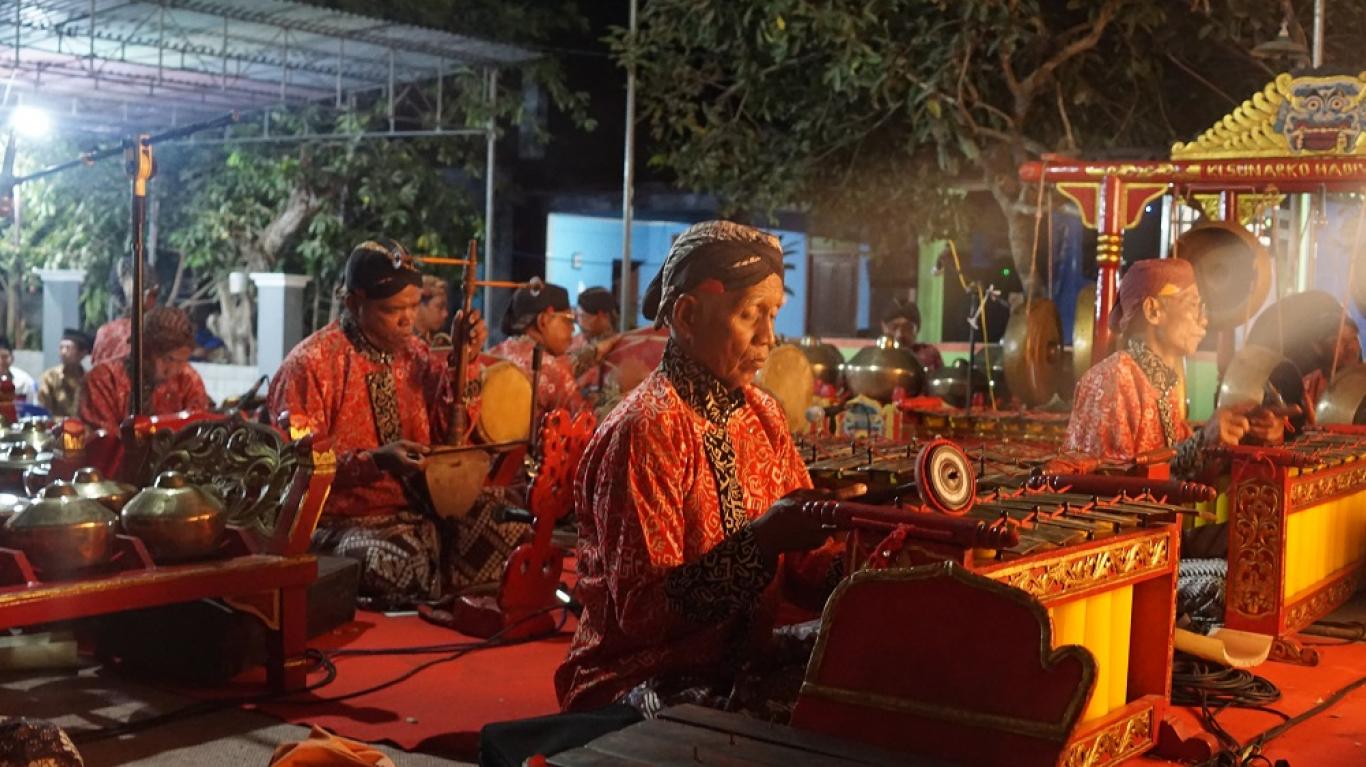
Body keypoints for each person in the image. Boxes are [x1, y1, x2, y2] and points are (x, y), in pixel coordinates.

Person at [555, 220, 842, 718]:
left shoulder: (764, 415)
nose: (768, 337)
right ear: (688, 316)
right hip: (637, 676)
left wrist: (870, 559)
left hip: (740, 663)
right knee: (780, 718)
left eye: (773, 315)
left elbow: (804, 567)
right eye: (750, 314)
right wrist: (760, 542)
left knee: (864, 676)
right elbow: (644, 614)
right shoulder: (647, 428)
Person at [268, 239, 522, 609]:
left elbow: (450, 434)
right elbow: (294, 468)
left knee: (509, 521)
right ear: (354, 302)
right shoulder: (310, 365)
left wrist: (463, 360)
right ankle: (432, 593)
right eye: (392, 309)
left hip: (420, 509)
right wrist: (376, 461)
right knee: (398, 562)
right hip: (339, 521)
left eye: (414, 306)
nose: (408, 320)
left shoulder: (415, 354)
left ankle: (459, 605)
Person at [1065, 258, 1284, 479]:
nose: (1204, 320)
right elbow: (1110, 481)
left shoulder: (1163, 384)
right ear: (1153, 311)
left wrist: (1249, 432)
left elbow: (1183, 470)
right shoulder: (1111, 380)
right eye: (1193, 305)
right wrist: (1201, 441)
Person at [79, 306, 213, 433]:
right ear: (144, 351)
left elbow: (199, 429)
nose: (174, 370)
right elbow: (104, 441)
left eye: (182, 361)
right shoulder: (104, 379)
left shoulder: (187, 379)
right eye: (168, 359)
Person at [488, 281, 589, 415]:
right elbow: (586, 420)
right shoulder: (551, 369)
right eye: (568, 320)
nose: (572, 329)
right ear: (543, 321)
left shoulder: (493, 354)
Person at [91, 266, 159, 367]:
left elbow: (96, 370)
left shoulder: (105, 332)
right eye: (153, 294)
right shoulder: (158, 330)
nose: (154, 301)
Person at [1302, 320, 1362, 419]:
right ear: (1317, 347)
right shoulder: (1307, 385)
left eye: (1354, 338)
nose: (1350, 347)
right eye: (1340, 340)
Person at [37, 329, 92, 418]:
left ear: (82, 353)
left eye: (68, 348)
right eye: (61, 348)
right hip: (56, 425)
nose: (63, 352)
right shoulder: (50, 377)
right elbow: (44, 410)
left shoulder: (89, 380)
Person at [880, 298, 943, 373]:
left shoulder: (929, 356)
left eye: (907, 328)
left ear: (918, 329)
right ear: (883, 327)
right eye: (893, 327)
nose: (900, 335)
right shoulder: (876, 357)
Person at [415, 274, 452, 347]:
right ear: (420, 305)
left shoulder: (438, 341)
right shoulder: (403, 342)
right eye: (439, 307)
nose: (445, 314)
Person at [0, 337, 36, 401]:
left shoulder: (24, 381)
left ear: (12, 358)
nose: (1, 361)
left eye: (4, 357)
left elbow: (31, 404)